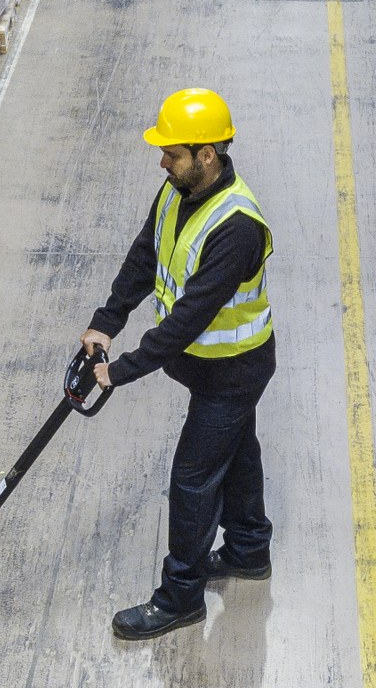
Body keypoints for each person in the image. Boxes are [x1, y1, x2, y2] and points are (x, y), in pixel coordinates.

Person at [82, 88, 277, 641]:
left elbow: (190, 317)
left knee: (192, 481)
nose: (162, 161)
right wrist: (107, 320)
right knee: (237, 452)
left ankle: (181, 596)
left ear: (208, 153)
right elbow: (146, 255)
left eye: (173, 153)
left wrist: (122, 369)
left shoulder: (236, 226)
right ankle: (247, 549)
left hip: (233, 370)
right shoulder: (175, 192)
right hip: (206, 367)